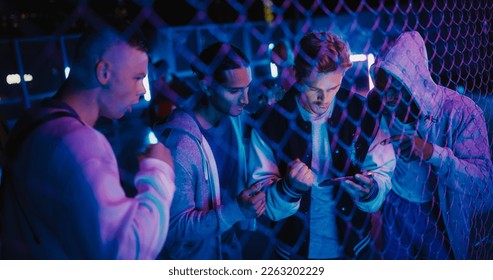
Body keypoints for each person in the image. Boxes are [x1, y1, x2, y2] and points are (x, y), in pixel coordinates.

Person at [0, 18, 176, 259]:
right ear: (103, 72)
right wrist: (159, 172)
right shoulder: (80, 142)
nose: (143, 89)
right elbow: (127, 254)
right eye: (137, 77)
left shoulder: (34, 120)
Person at [248, 30, 396, 259]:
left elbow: (383, 170)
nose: (324, 100)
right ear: (296, 75)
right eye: (314, 89)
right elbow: (262, 200)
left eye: (333, 89)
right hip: (294, 253)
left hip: (354, 248)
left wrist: (372, 188)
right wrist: (288, 188)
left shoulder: (362, 111)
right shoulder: (270, 124)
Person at [369, 31, 493, 259]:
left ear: (413, 81)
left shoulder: (461, 111)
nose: (387, 100)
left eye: (395, 92)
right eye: (382, 91)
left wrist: (432, 153)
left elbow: (484, 183)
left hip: (441, 214)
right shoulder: (377, 108)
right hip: (396, 208)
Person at [154, 42, 266, 259]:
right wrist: (237, 211)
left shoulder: (234, 118)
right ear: (206, 86)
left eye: (247, 87)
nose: (245, 99)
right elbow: (176, 226)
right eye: (234, 91)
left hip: (229, 246)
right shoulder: (181, 146)